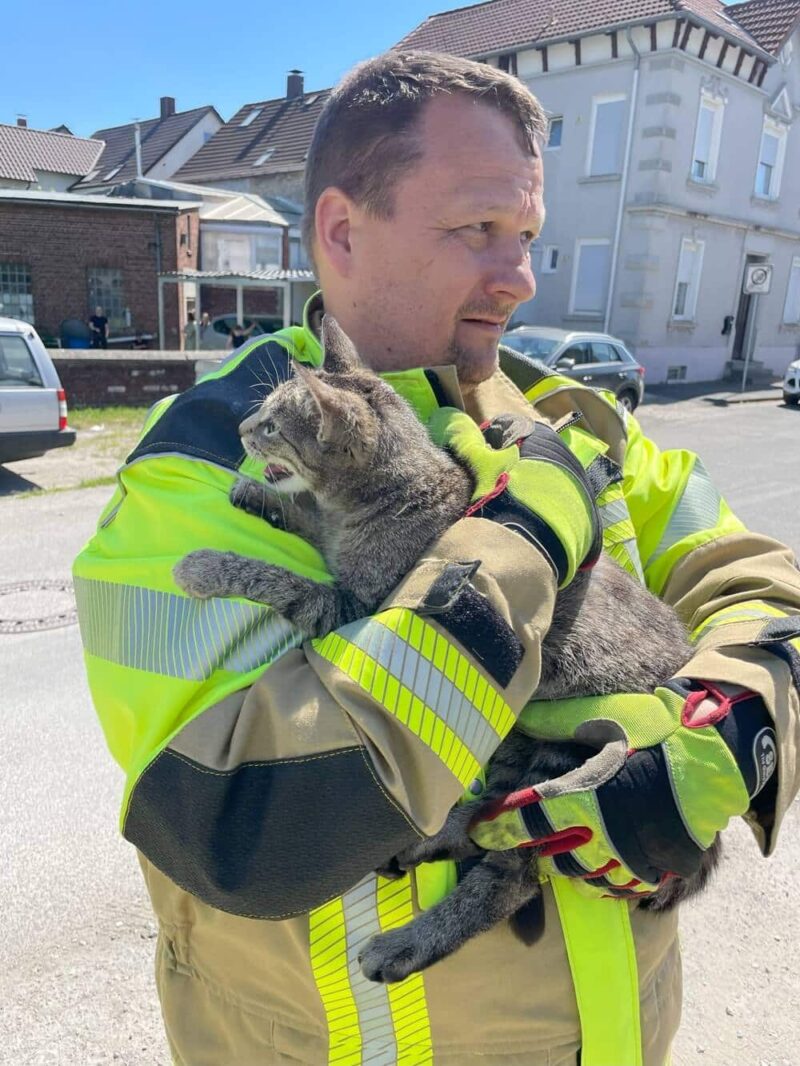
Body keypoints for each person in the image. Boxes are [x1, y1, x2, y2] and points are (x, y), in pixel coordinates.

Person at [73, 52, 800, 1066]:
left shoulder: (571, 423)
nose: (521, 276)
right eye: (477, 230)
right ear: (339, 230)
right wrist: (524, 542)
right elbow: (256, 821)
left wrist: (726, 727)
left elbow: (763, 588)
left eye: (528, 236)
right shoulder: (196, 466)